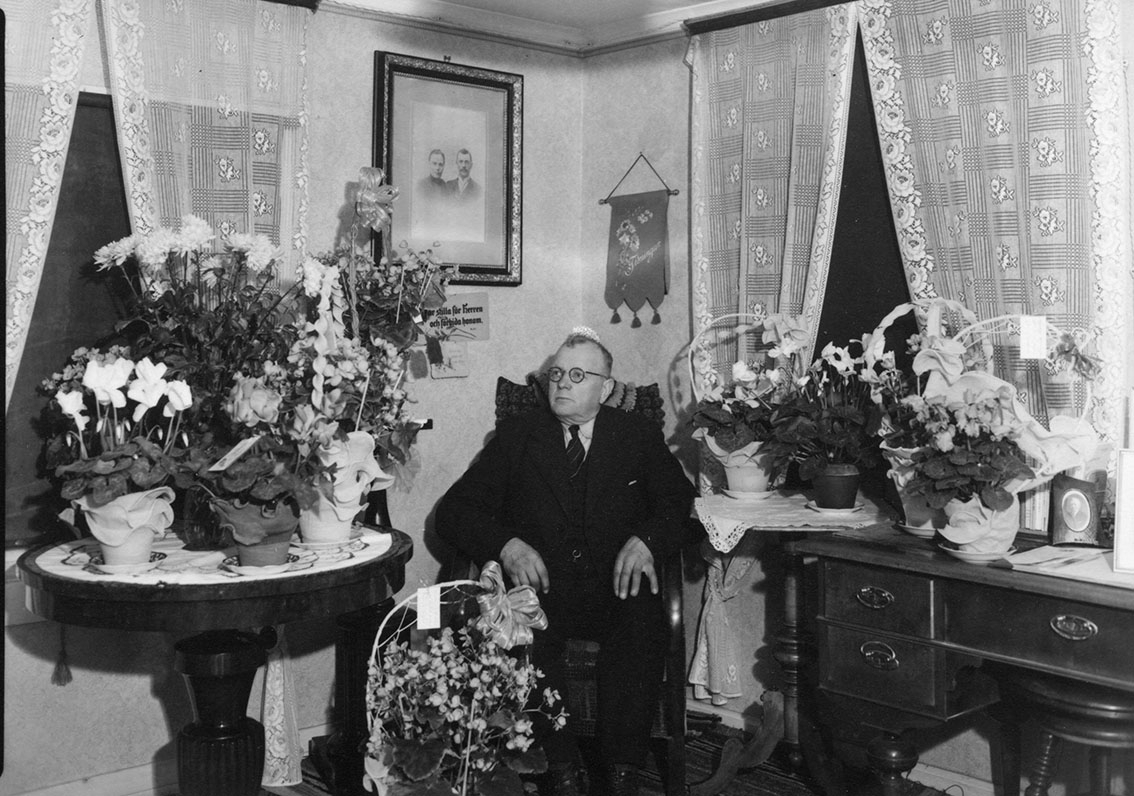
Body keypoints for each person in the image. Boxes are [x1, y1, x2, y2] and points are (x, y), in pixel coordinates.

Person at [436, 329, 695, 796]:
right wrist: (507, 546)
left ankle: (622, 774)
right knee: (524, 632)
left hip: (616, 588)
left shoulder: (636, 434)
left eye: (578, 375)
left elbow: (679, 501)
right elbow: (455, 511)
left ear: (606, 387)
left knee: (642, 624)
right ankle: (561, 771)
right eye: (556, 373)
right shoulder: (518, 436)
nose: (562, 383)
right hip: (543, 592)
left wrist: (647, 541)